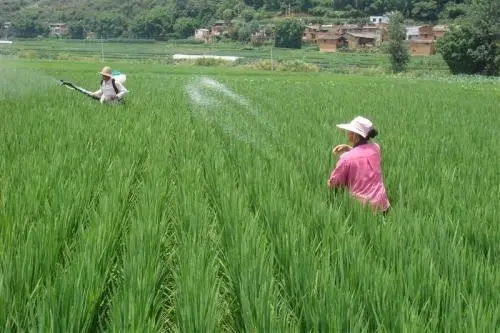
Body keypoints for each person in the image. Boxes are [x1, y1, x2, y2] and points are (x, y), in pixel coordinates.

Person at [328, 116, 390, 213]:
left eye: (349, 132)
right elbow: (363, 155)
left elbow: (335, 184)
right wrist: (349, 148)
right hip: (382, 205)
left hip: (362, 210)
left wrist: (328, 184)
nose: (347, 134)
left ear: (355, 135)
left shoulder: (346, 158)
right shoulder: (376, 149)